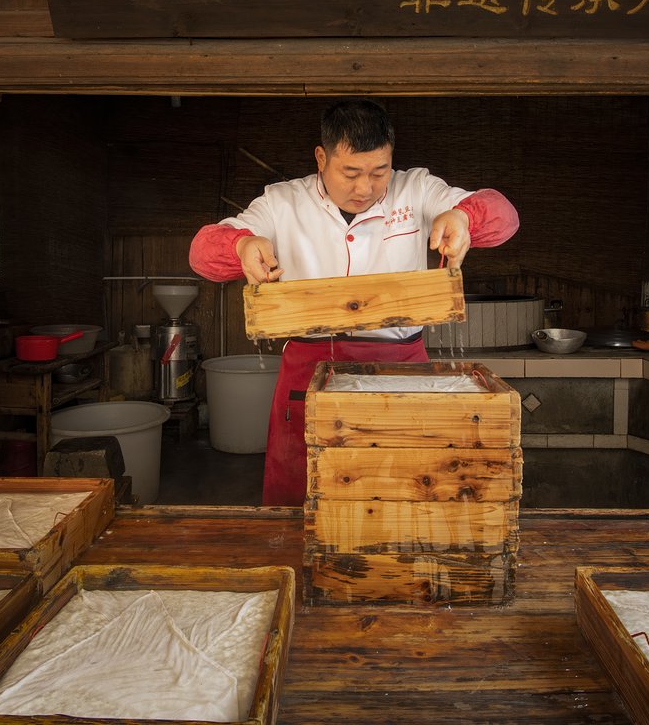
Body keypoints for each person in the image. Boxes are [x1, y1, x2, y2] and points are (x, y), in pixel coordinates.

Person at [189, 99, 520, 505]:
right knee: (303, 497)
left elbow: (505, 215)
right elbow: (201, 253)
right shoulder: (281, 202)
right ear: (321, 157)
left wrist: (465, 218)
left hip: (400, 366)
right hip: (308, 367)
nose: (365, 188)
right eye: (351, 173)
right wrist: (241, 244)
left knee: (407, 492)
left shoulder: (416, 189)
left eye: (379, 172)